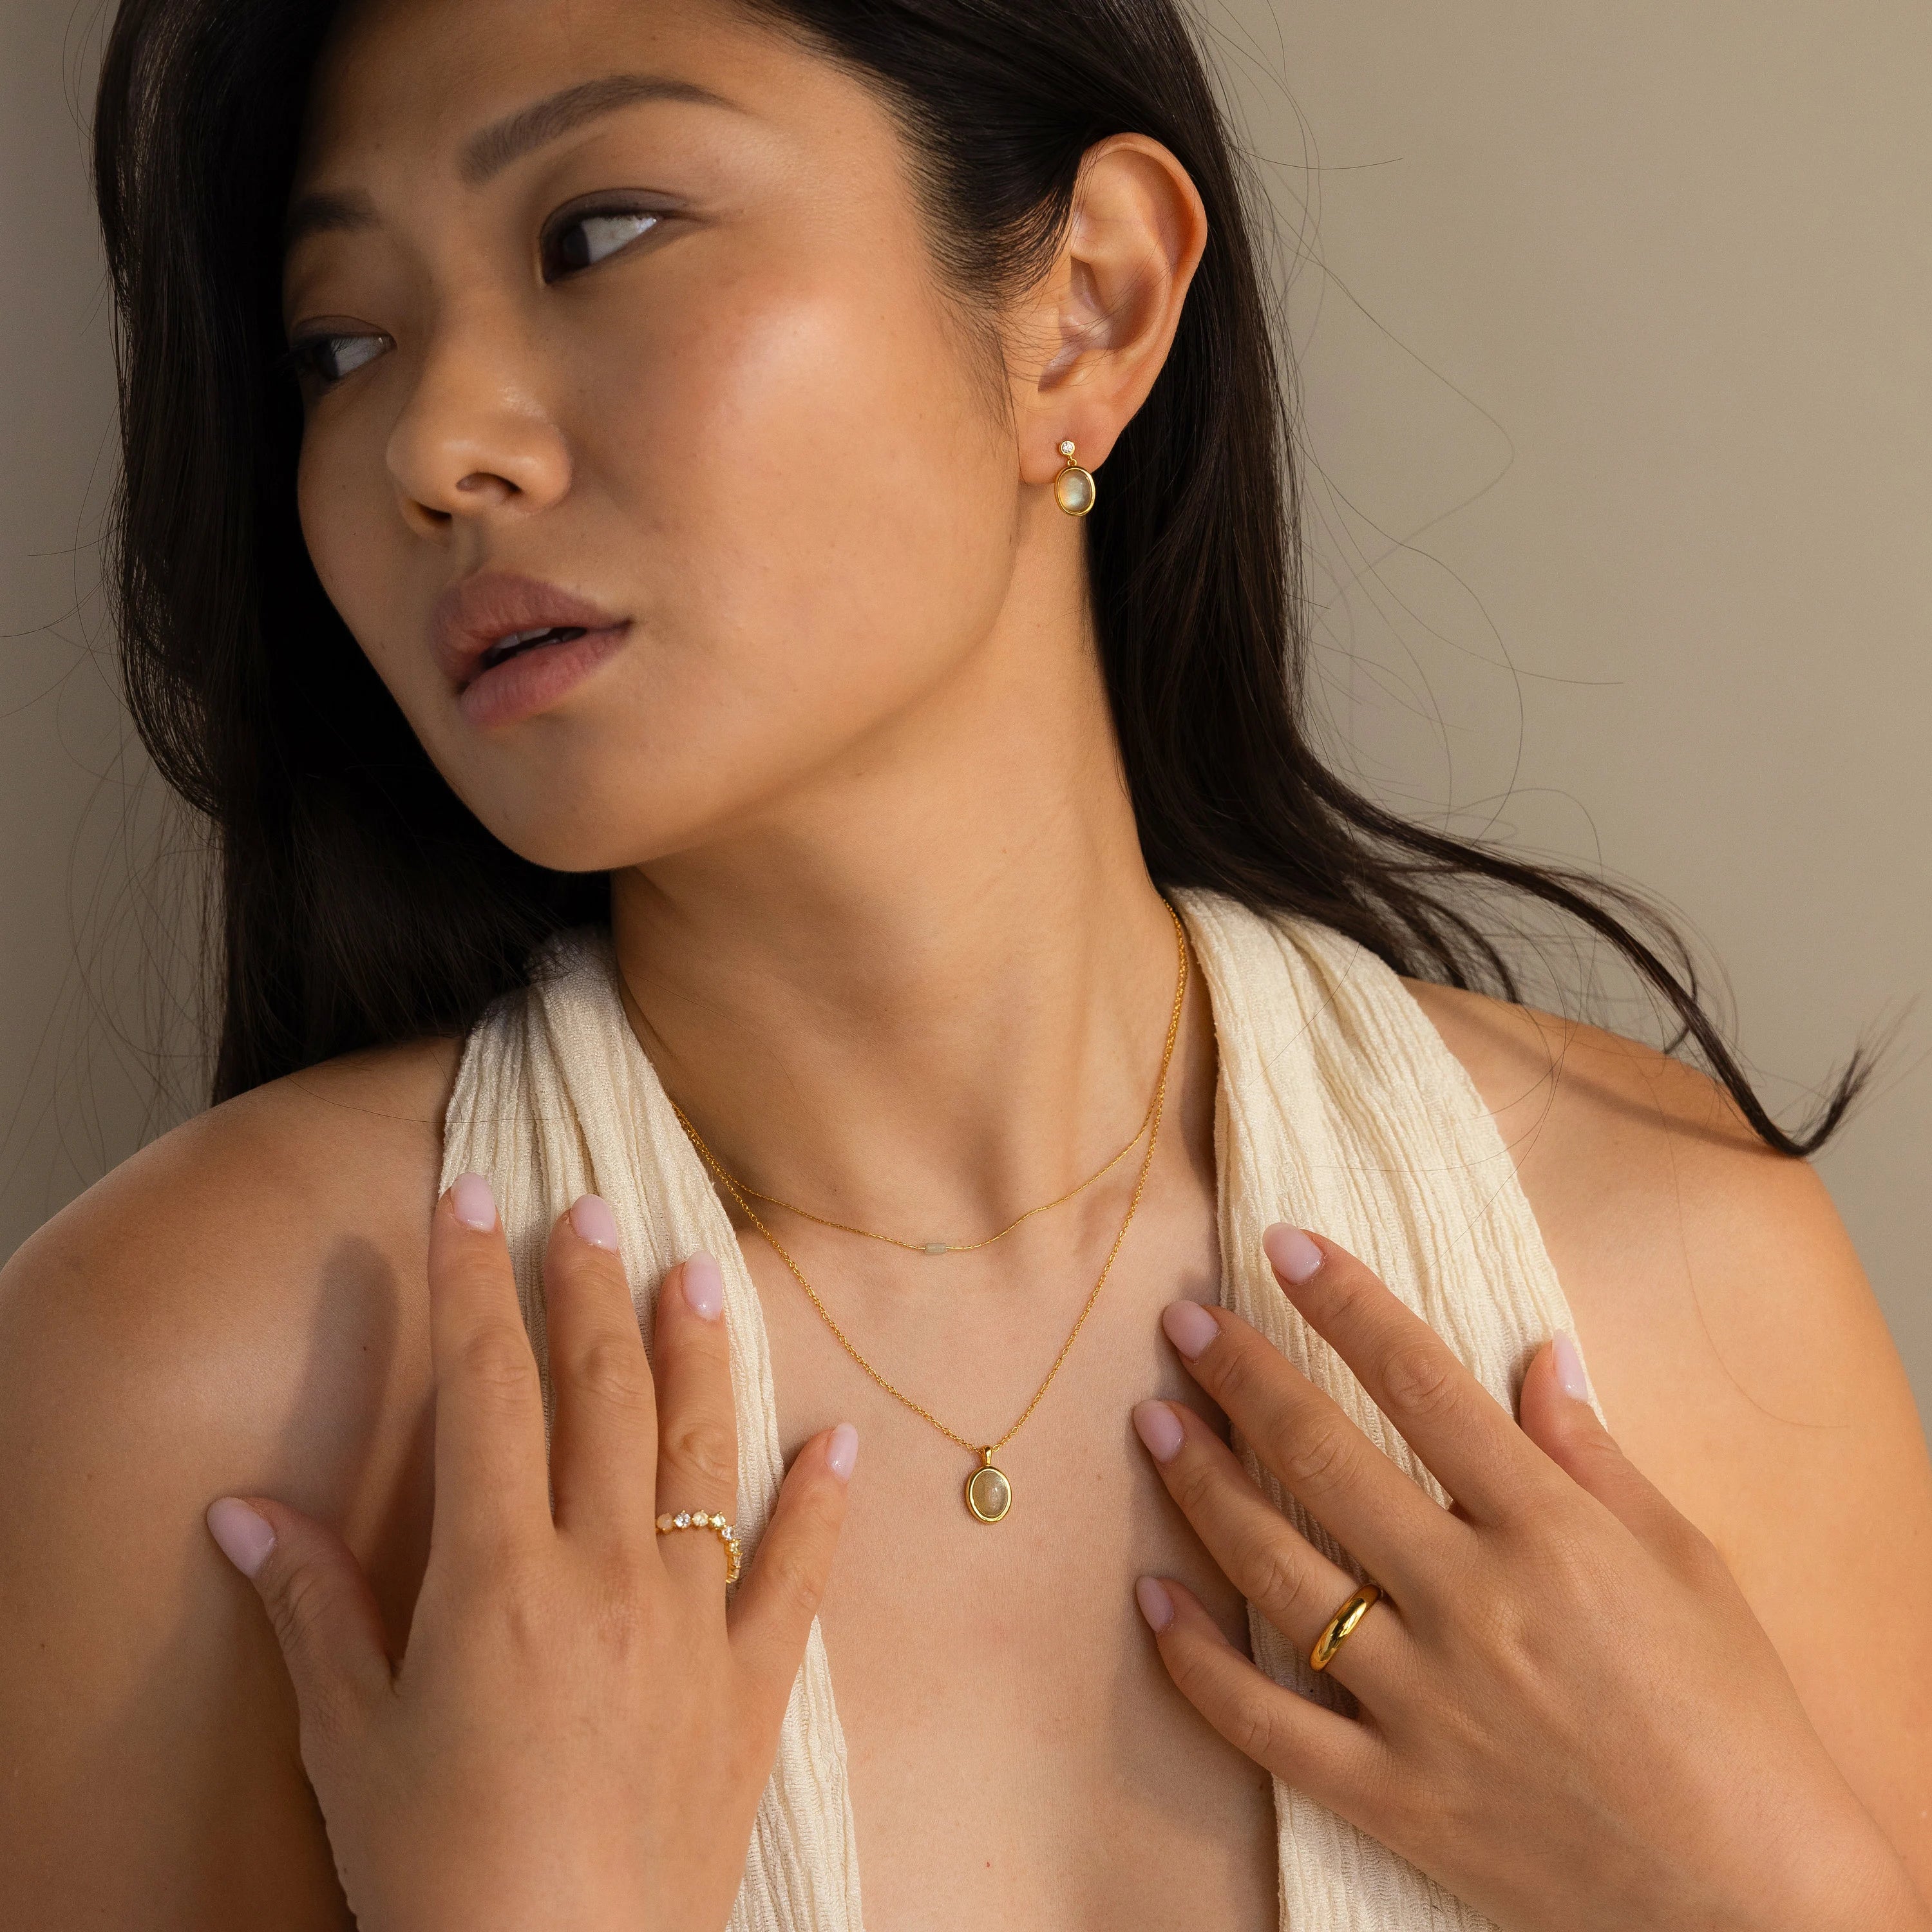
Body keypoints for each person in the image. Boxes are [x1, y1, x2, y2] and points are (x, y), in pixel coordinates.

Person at [1, 0, 1927, 1924]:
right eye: (342, 348)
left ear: (1087, 304)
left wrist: (1763, 1888)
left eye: (597, 235)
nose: (432, 446)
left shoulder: (1681, 1288)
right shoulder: (203, 1402)